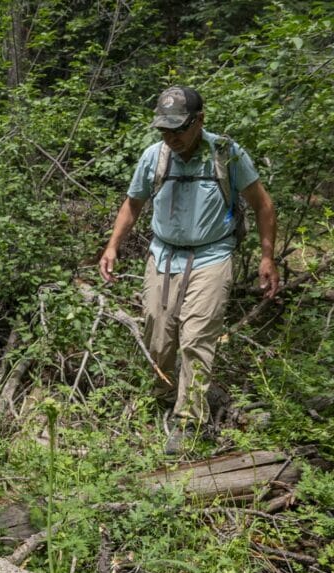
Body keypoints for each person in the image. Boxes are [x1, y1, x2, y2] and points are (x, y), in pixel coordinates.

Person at [99, 86, 279, 454]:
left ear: (200, 120)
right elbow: (132, 205)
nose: (172, 137)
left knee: (197, 337)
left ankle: (188, 421)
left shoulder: (226, 154)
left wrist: (267, 256)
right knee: (158, 333)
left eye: (178, 129)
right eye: (165, 130)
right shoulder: (155, 157)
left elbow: (262, 205)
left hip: (212, 255)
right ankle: (163, 393)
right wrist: (112, 246)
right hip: (163, 256)